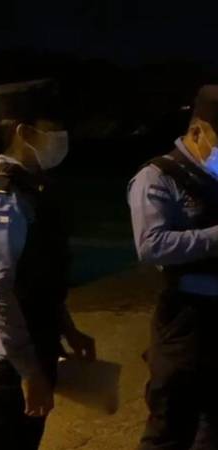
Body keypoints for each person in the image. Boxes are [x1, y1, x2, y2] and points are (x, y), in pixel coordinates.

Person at [0, 79, 96, 450]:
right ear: (24, 132)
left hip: (30, 352)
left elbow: (37, 278)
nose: (61, 138)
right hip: (5, 373)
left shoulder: (30, 188)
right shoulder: (1, 196)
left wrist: (67, 327)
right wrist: (29, 371)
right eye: (53, 130)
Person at [128, 85, 218, 450]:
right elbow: (151, 246)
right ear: (197, 130)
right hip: (186, 322)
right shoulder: (157, 176)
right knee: (171, 425)